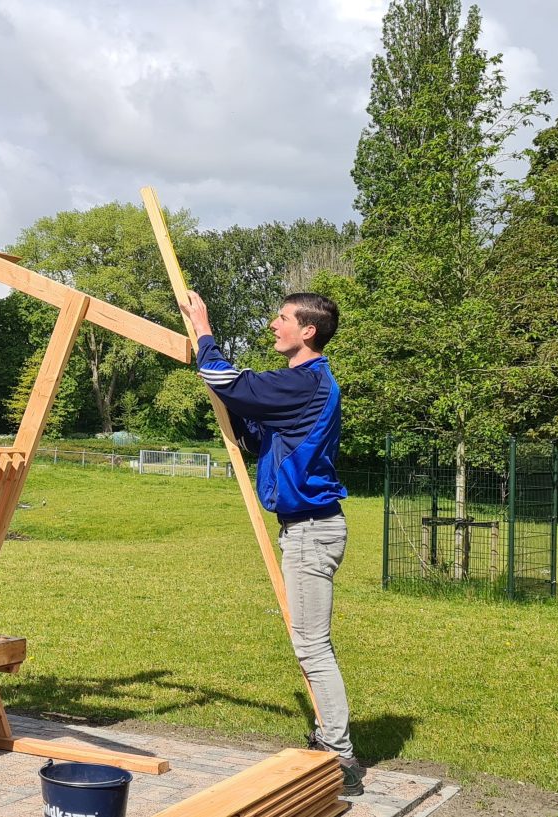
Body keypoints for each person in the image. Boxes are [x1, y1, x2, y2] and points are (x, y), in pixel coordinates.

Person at [178, 290, 365, 797]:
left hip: (310, 531)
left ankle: (340, 757)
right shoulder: (305, 386)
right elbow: (258, 436)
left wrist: (203, 331)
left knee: (312, 646)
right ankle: (335, 744)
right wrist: (232, 410)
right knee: (310, 642)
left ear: (308, 331)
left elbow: (226, 379)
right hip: (307, 528)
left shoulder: (306, 381)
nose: (273, 325)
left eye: (282, 319)